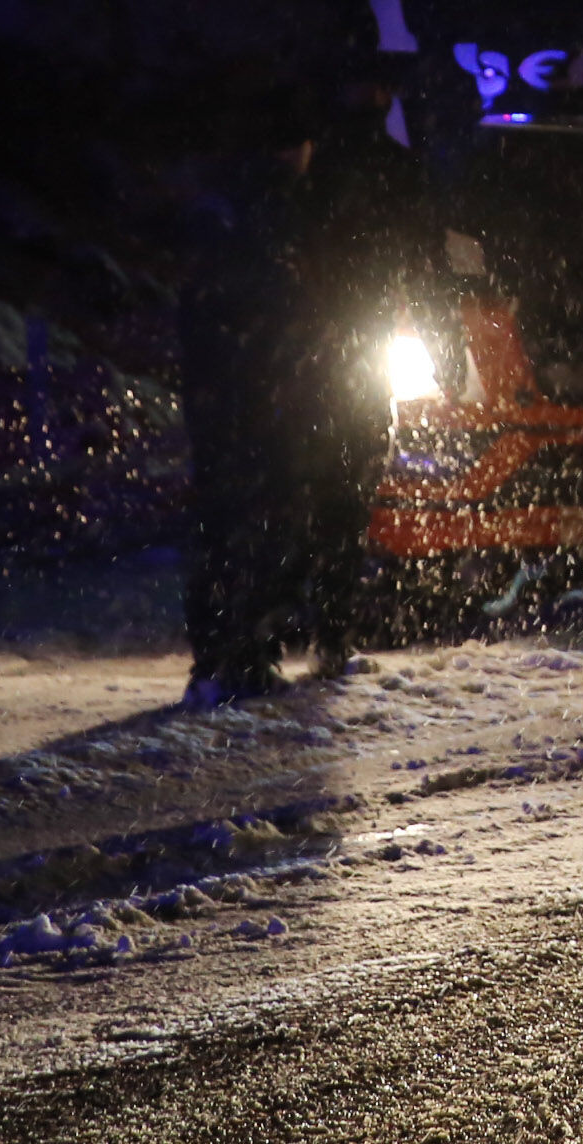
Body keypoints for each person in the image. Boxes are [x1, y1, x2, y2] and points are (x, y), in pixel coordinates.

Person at [178, 44, 415, 702]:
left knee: (241, 519)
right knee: (271, 518)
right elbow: (278, 299)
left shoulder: (236, 205)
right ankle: (246, 653)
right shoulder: (282, 208)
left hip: (247, 386)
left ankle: (231, 654)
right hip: (272, 388)